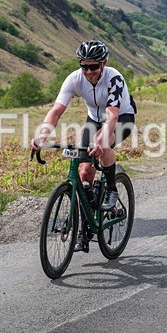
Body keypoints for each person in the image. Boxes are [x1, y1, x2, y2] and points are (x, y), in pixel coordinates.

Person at [31, 40, 137, 251]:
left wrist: (101, 139)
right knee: (85, 170)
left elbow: (112, 115)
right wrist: (41, 135)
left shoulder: (114, 78)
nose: (88, 71)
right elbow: (56, 111)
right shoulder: (74, 79)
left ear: (103, 64)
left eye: (93, 66)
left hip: (122, 117)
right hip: (94, 119)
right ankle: (86, 225)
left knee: (103, 143)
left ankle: (111, 189)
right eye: (84, 66)